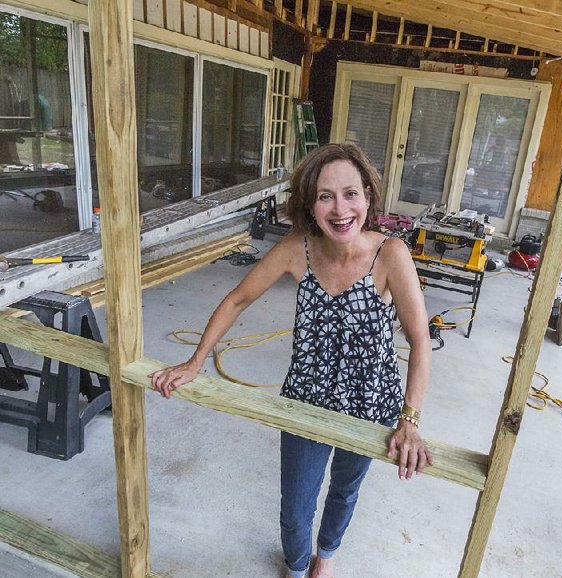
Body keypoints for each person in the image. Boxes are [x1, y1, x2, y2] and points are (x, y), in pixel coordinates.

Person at [150, 143, 433, 578]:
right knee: (296, 501)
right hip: (304, 400)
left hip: (372, 403)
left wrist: (410, 421)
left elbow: (419, 341)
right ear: (310, 204)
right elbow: (237, 299)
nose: (340, 209)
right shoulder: (296, 248)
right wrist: (194, 362)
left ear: (368, 197)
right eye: (325, 196)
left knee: (344, 490)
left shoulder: (389, 255)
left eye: (350, 193)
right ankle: (299, 568)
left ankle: (328, 553)